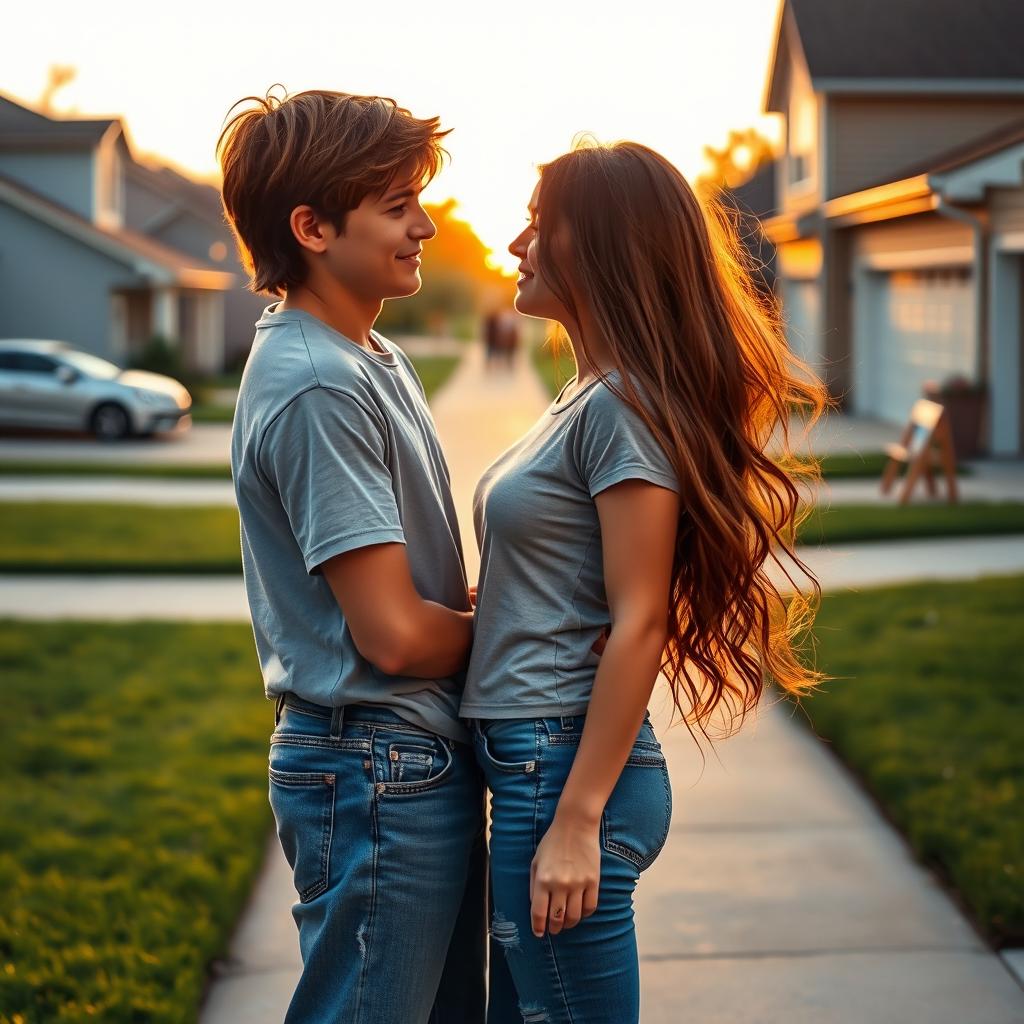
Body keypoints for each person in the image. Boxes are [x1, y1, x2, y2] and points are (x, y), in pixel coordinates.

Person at [462, 140, 830, 1023]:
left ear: (600, 248)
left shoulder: (620, 407)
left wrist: (578, 818)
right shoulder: (588, 395)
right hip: (539, 761)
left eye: (540, 227)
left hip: (558, 770)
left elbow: (639, 619)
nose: (516, 243)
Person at [218, 88, 486, 1024]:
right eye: (397, 204)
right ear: (313, 226)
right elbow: (396, 637)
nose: (427, 222)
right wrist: (533, 625)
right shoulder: (316, 383)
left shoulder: (370, 356)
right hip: (375, 767)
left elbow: (417, 597)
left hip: (406, 759)